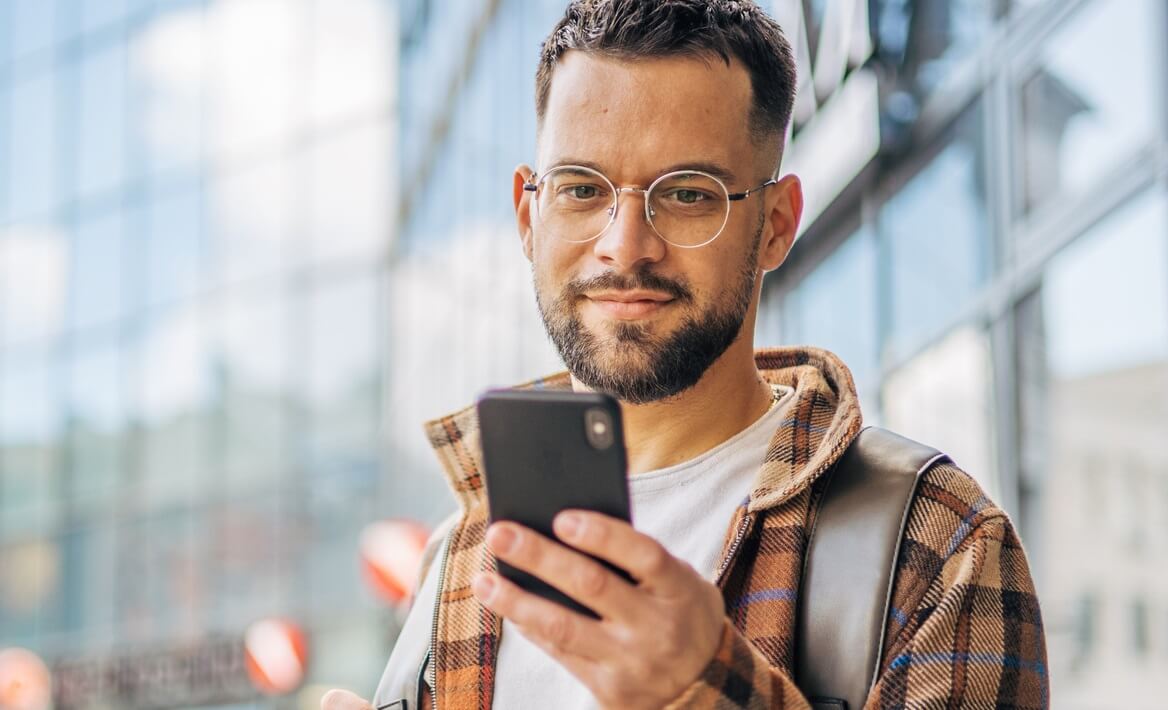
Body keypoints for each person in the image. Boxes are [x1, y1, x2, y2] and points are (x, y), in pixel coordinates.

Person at [324, 1, 1048, 708]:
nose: (625, 245)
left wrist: (709, 692)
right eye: (581, 188)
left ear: (776, 225)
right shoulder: (455, 558)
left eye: (688, 195)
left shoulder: (938, 544)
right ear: (529, 215)